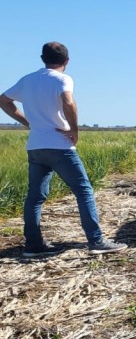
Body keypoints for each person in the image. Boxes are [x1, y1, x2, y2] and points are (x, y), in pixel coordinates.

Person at [0, 42, 127, 256]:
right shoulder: (62, 79)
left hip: (35, 146)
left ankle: (33, 245)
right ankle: (96, 241)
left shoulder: (27, 80)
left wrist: (27, 122)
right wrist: (74, 130)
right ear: (66, 61)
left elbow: (4, 100)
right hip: (59, 145)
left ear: (42, 58)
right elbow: (68, 102)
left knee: (35, 197)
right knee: (83, 190)